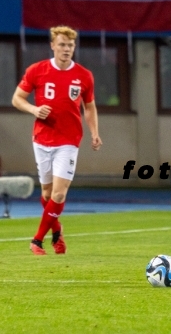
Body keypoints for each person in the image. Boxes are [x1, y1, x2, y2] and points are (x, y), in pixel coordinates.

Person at [12, 25, 102, 255]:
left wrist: (94, 132)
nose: (66, 49)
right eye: (62, 44)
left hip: (69, 140)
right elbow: (17, 99)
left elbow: (89, 107)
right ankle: (57, 232)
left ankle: (37, 240)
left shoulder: (84, 75)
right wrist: (33, 109)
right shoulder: (37, 70)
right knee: (46, 195)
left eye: (70, 45)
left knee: (59, 194)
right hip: (42, 139)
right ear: (52, 45)